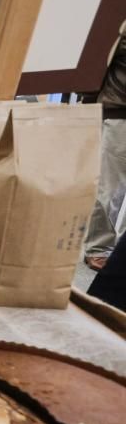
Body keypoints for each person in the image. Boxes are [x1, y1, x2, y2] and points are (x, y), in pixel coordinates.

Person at [81, 27, 126, 271]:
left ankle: (119, 252)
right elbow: (99, 58)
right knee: (112, 188)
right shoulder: (119, 19)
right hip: (121, 111)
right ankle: (99, 248)